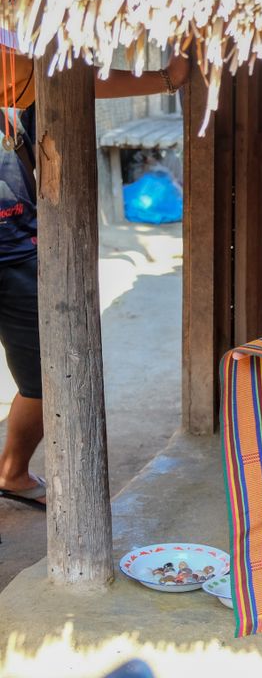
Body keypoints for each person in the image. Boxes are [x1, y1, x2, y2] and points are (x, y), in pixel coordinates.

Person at [0, 48, 191, 509]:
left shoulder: (17, 70)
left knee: (46, 375)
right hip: (20, 245)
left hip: (19, 246)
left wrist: (165, 77)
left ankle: (12, 472)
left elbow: (69, 79)